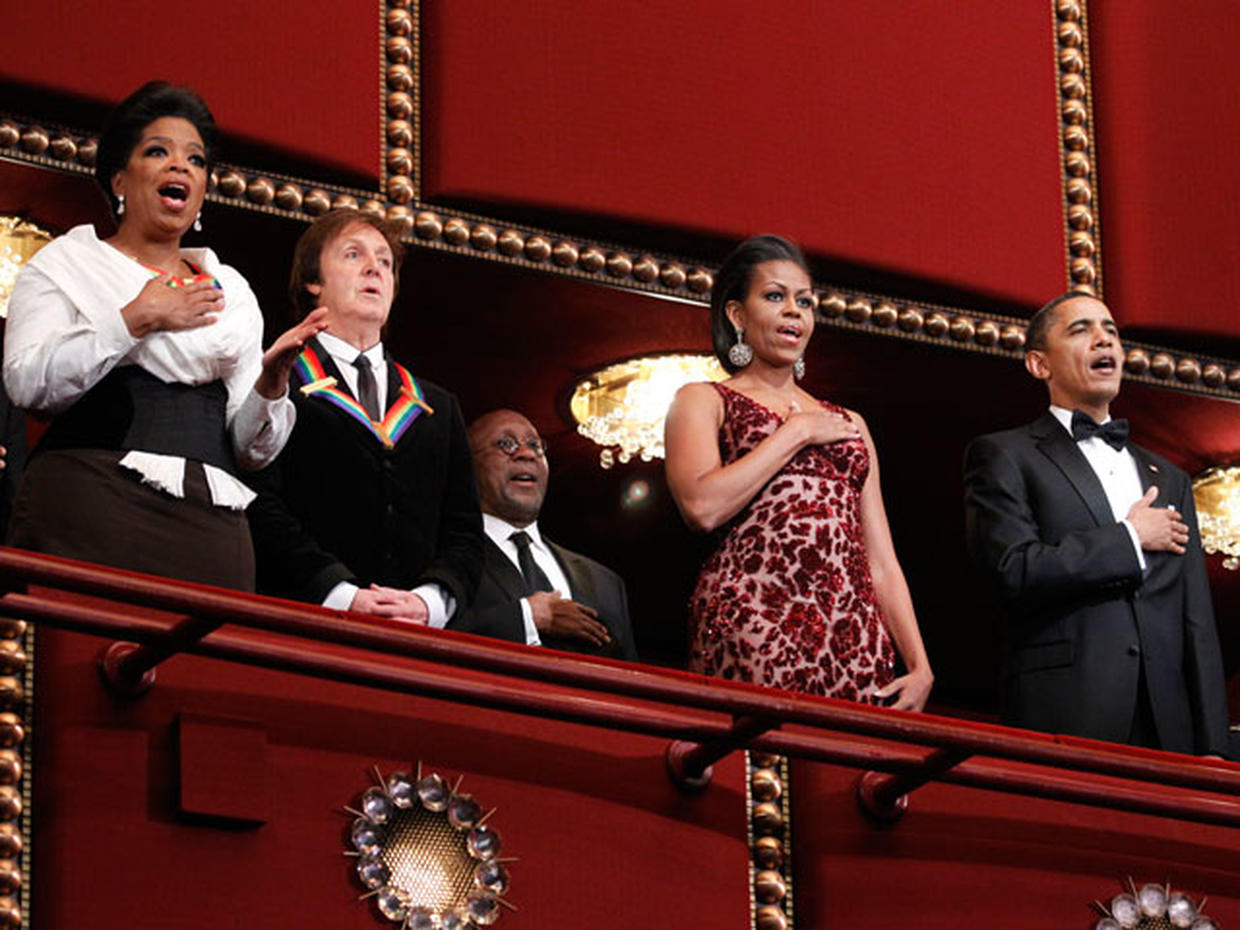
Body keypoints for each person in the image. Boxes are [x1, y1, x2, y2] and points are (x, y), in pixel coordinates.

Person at [3, 81, 325, 590]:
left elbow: (251, 452)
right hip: (91, 500)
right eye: (158, 152)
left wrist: (271, 383)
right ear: (119, 181)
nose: (181, 167)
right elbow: (28, 384)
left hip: (215, 528)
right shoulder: (67, 263)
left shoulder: (232, 290)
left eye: (195, 161)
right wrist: (136, 317)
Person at [664, 235, 933, 708]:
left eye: (804, 302)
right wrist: (795, 433)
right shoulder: (702, 399)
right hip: (753, 622)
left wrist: (920, 664)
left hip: (853, 639)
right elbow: (701, 508)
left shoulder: (850, 423)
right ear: (737, 316)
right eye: (774, 296)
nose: (794, 311)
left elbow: (881, 559)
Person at [963, 291, 1230, 756]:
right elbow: (1012, 569)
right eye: (1081, 329)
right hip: (1068, 709)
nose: (1103, 338)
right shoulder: (1004, 455)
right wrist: (1128, 538)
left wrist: (1212, 744)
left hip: (1169, 725)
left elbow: (1197, 622)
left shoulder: (1170, 478)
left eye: (1110, 330)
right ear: (1038, 365)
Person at [246, 209, 483, 626]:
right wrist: (337, 592)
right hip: (304, 625)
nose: (375, 267)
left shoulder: (439, 406)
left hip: (417, 641)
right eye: (353, 255)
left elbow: (464, 532)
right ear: (313, 282)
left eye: (385, 261)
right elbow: (258, 502)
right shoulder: (275, 379)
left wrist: (430, 601)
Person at [450, 408, 638, 660]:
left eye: (535, 445)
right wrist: (527, 617)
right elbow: (424, 642)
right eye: (506, 444)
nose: (526, 454)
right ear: (468, 466)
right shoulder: (444, 556)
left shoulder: (605, 582)